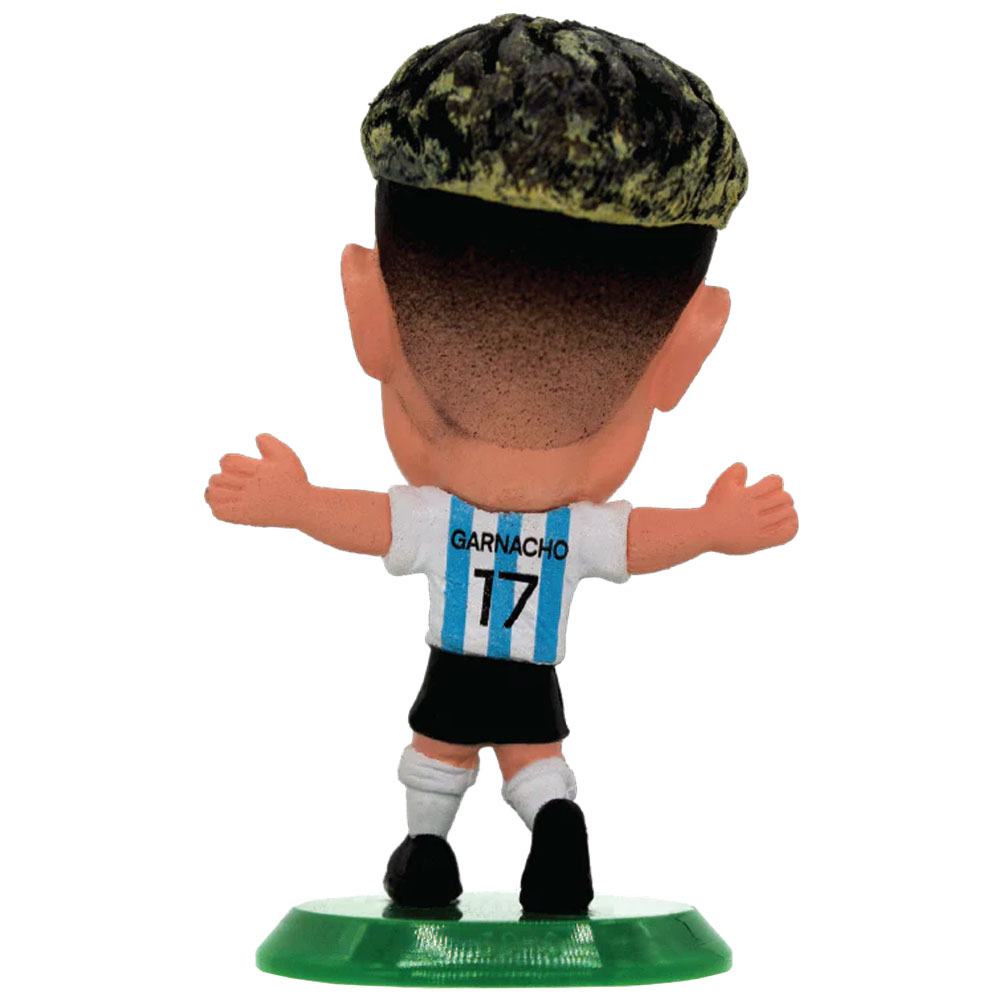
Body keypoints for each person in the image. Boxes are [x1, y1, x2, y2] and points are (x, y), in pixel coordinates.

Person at [204, 13, 797, 915]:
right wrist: (715, 528)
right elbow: (637, 538)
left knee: (437, 749)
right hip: (527, 673)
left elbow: (371, 520)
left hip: (456, 665)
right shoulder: (571, 532)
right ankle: (547, 824)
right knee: (532, 755)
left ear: (369, 316)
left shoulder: (441, 522)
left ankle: (427, 850)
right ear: (686, 350)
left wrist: (293, 501)